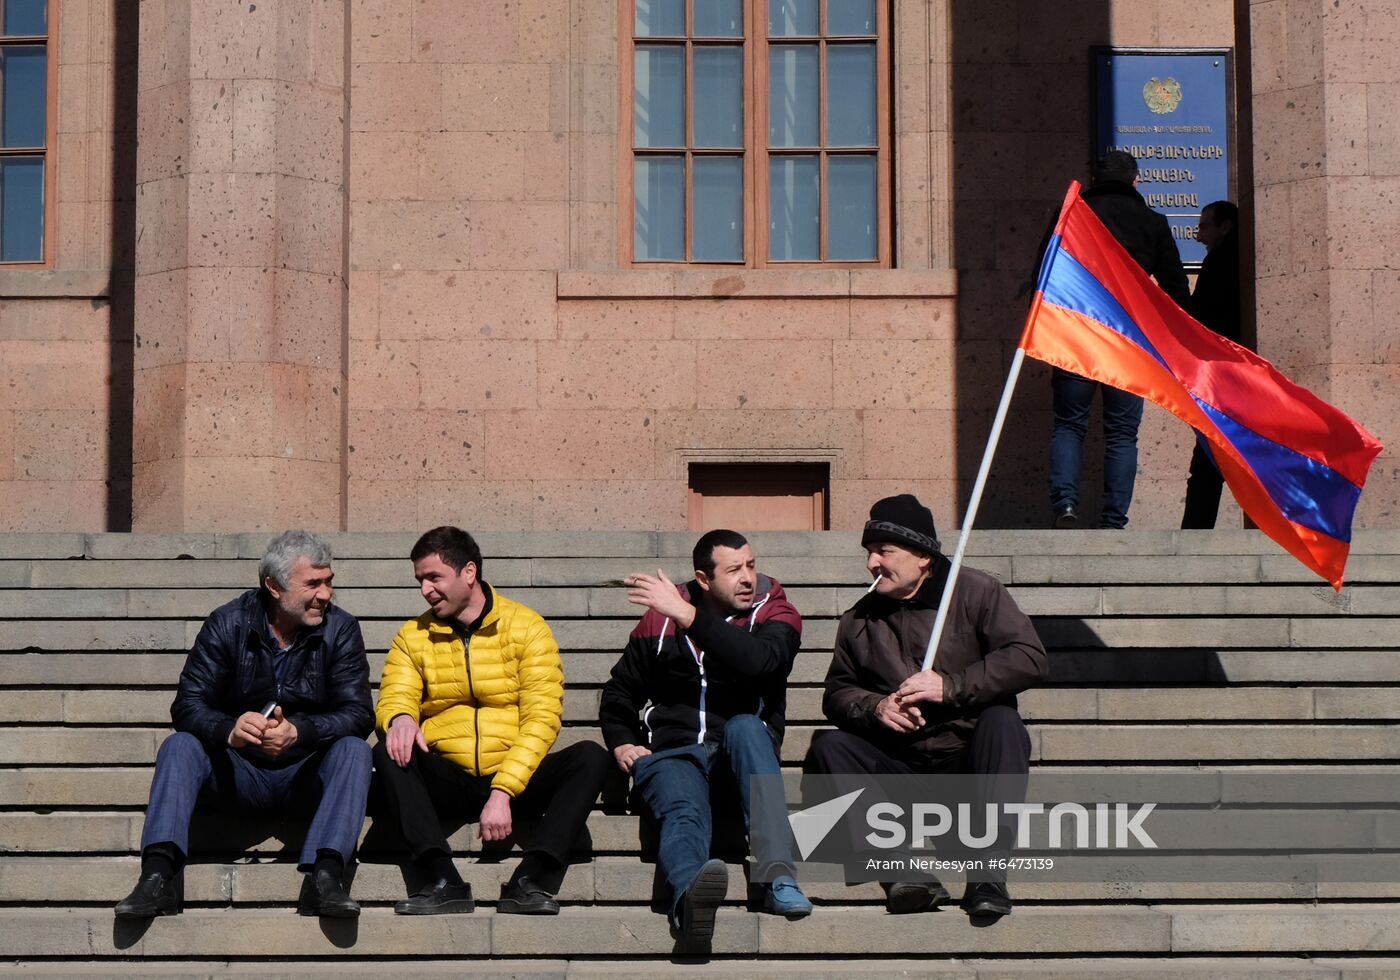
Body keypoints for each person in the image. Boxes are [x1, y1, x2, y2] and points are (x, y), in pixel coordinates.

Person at [805, 495, 1048, 917]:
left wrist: (949, 686)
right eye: (869, 552)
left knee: (1002, 721)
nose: (872, 564)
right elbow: (837, 692)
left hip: (969, 764)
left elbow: (1028, 657)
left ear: (922, 556)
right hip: (902, 767)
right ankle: (905, 872)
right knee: (829, 747)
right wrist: (875, 706)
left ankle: (987, 875)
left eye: (884, 551)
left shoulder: (977, 591)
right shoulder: (859, 619)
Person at [115, 530, 374, 920]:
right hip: (238, 772)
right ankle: (157, 878)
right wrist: (229, 730)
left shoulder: (340, 629)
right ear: (274, 585)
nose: (325, 594)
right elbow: (187, 705)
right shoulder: (227, 623)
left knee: (354, 750)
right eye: (313, 584)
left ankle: (325, 878)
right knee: (179, 746)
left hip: (304, 773)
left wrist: (300, 731)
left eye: (329, 582)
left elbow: (358, 714)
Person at [372, 526, 610, 916]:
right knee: (389, 749)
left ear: (469, 572)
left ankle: (530, 880)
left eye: (434, 578)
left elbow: (542, 717)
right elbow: (397, 692)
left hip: (514, 779)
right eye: (420, 580)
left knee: (590, 757)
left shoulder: (526, 627)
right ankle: (441, 879)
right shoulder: (412, 636)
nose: (426, 590)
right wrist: (399, 718)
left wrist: (503, 792)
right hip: (446, 771)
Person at [599, 529, 812, 945]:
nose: (748, 577)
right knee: (682, 810)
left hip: (742, 764)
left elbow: (761, 663)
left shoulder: (776, 612)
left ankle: (778, 876)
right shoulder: (658, 620)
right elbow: (619, 691)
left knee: (747, 726)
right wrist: (623, 740)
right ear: (704, 578)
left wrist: (688, 617)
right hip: (676, 755)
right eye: (734, 570)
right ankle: (689, 903)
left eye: (750, 565)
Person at [1048, 149, 1191, 529]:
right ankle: (1114, 520)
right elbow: (1176, 289)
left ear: (1095, 179)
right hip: (1128, 341)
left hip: (1075, 335)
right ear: (1135, 180)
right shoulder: (1153, 221)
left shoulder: (1073, 215)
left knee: (1069, 424)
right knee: (1122, 433)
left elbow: (1043, 275)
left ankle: (1065, 503)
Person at [1181, 199, 1244, 529]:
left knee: (1208, 456)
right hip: (1234, 372)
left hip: (1221, 375)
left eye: (1205, 226)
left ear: (1226, 226)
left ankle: (1196, 526)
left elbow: (1201, 317)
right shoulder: (1239, 257)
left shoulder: (1220, 263)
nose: (1199, 234)